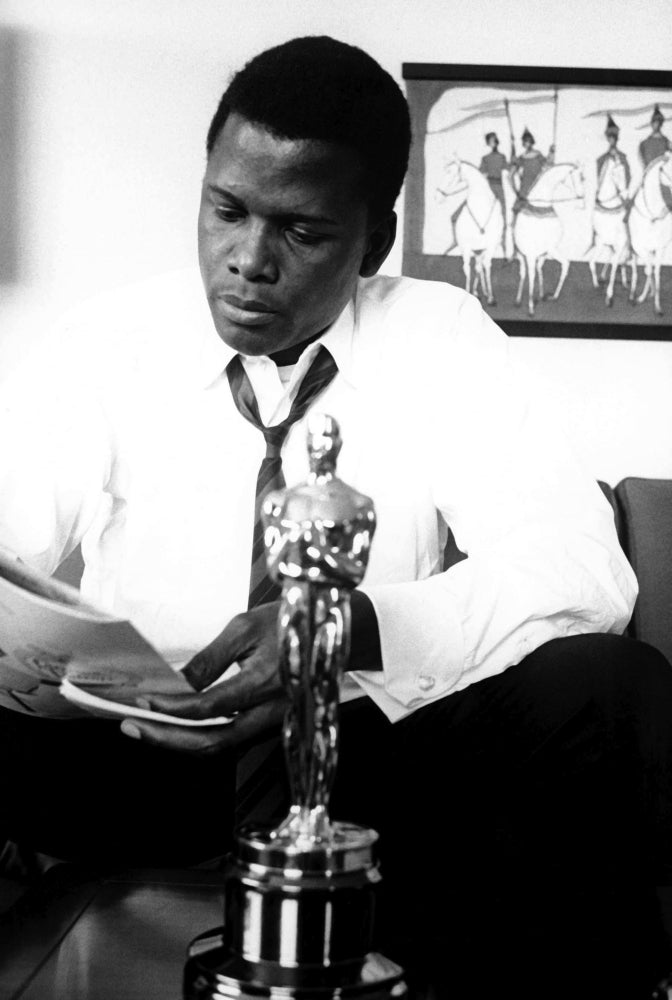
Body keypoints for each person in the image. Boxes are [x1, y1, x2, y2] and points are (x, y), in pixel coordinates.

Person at [2, 36, 672, 999]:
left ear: (375, 239)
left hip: (373, 764)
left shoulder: (441, 338)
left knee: (610, 687)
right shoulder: (107, 343)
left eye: (302, 232)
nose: (247, 262)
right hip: (138, 765)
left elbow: (582, 571)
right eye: (225, 211)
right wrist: (86, 670)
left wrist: (343, 631)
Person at [510, 126, 555, 212]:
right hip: (525, 189)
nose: (527, 143)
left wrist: (551, 152)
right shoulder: (522, 157)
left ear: (531, 141)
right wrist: (516, 192)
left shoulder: (538, 154)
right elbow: (510, 174)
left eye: (528, 141)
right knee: (516, 212)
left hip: (538, 185)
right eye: (525, 141)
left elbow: (548, 164)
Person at [597, 114, 631, 193]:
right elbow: (598, 176)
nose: (612, 140)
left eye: (613, 138)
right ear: (608, 139)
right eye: (610, 138)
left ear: (616, 139)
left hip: (621, 192)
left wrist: (626, 190)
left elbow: (627, 175)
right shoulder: (601, 159)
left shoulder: (622, 157)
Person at [639, 103, 672, 168]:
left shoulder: (667, 143)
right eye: (655, 122)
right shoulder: (644, 144)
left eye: (659, 122)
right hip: (649, 175)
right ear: (651, 124)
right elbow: (643, 163)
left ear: (661, 124)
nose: (657, 125)